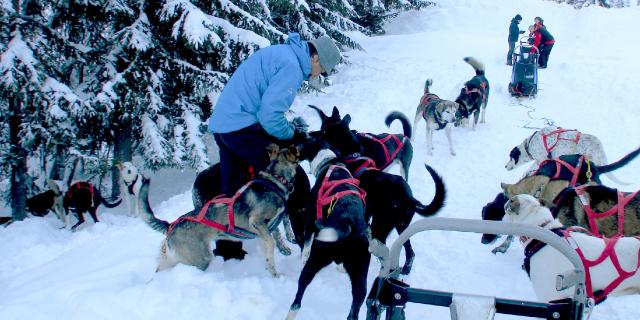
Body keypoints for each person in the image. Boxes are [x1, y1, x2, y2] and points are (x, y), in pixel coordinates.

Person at [208, 33, 341, 197]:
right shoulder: (292, 67)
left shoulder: (284, 53)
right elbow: (269, 117)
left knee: (235, 193)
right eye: (321, 70)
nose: (317, 75)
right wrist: (293, 134)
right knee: (294, 179)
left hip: (224, 126)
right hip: (242, 128)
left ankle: (232, 220)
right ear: (315, 58)